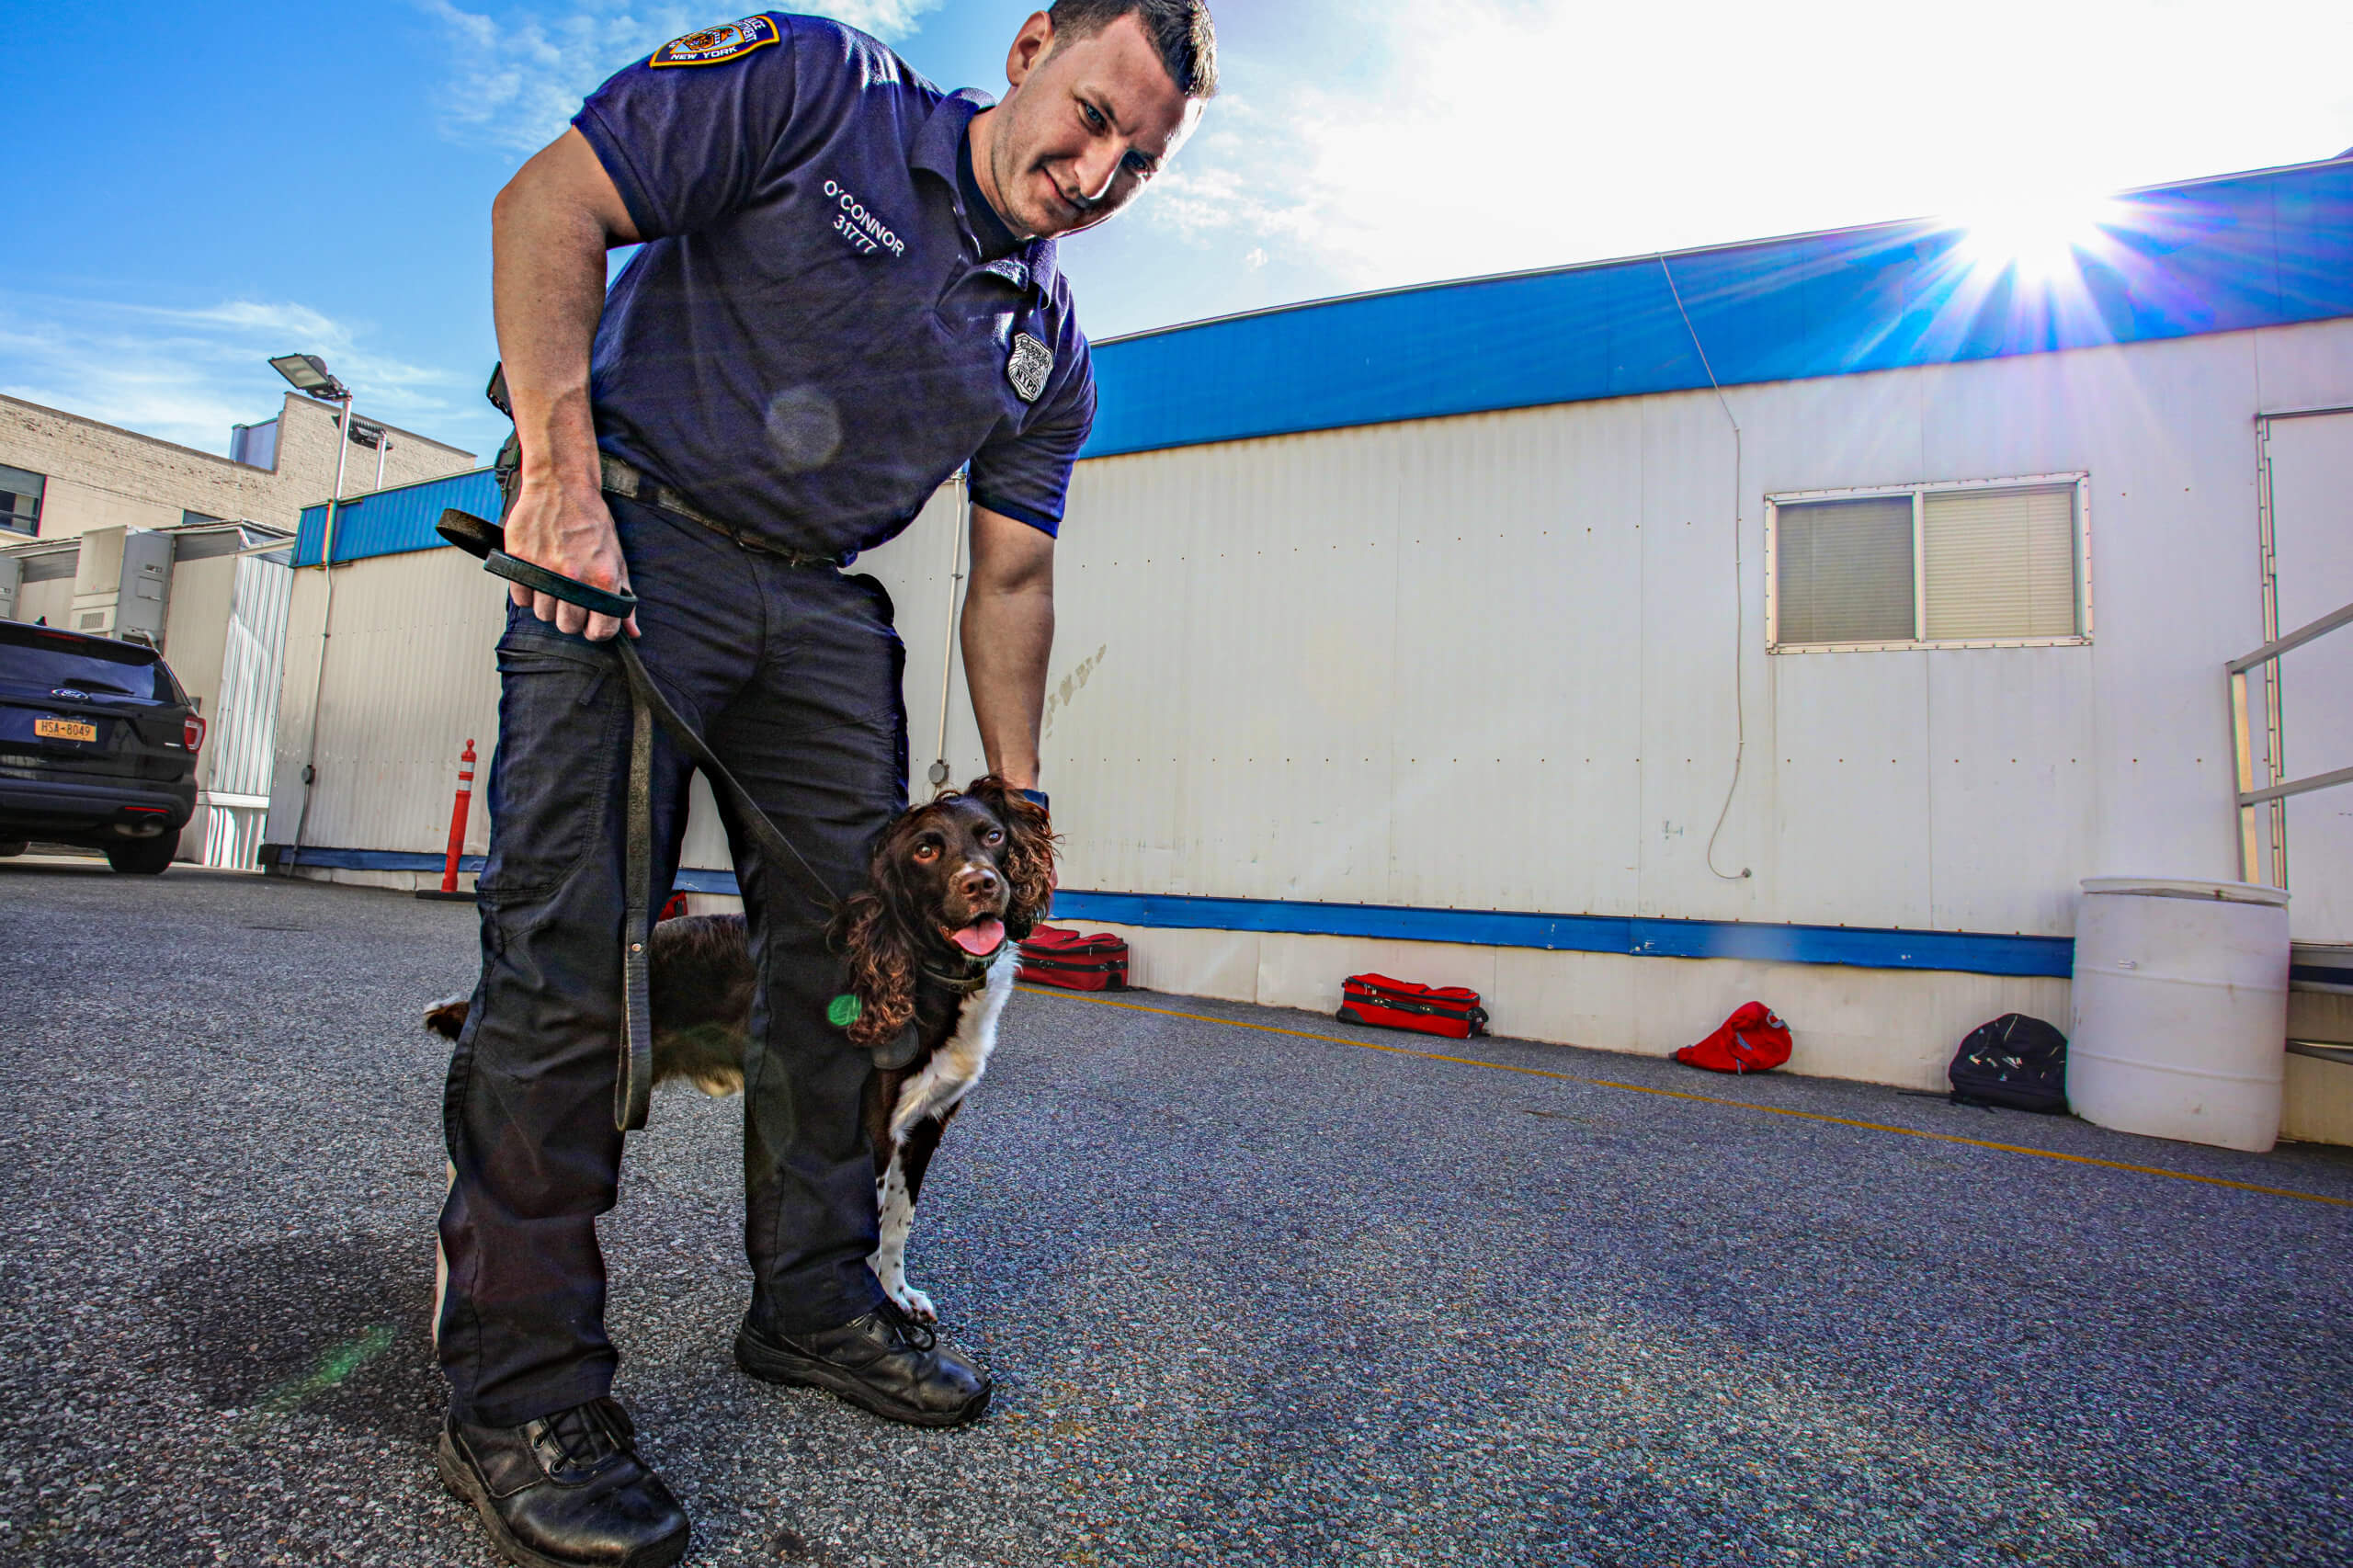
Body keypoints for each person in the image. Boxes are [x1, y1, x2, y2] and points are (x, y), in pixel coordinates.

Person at [431, 6, 1215, 1565]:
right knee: (573, 964)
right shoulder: (818, 85)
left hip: (822, 608)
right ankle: (519, 1385)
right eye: (1092, 110)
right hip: (636, 544)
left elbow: (1012, 578)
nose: (1099, 165)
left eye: (1141, 153)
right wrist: (560, 480)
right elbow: (549, 206)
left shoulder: (1047, 351)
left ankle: (812, 1300)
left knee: (859, 978)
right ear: (1030, 46)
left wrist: (1019, 793)